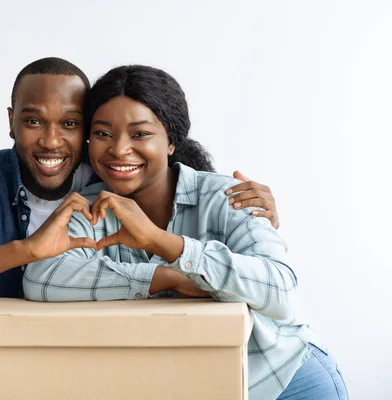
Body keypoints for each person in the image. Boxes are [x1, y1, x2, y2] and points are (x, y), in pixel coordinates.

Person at [23, 65, 348, 399]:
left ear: (172, 141)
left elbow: (281, 291)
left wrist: (162, 242)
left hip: (283, 379)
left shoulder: (230, 197)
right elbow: (42, 276)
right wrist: (167, 277)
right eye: (103, 133)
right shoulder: (88, 207)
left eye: (139, 134)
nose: (119, 150)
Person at [0, 57, 279, 310]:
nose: (51, 141)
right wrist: (23, 251)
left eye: (69, 124)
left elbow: (176, 178)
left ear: (86, 129)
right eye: (33, 121)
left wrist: (254, 213)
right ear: (10, 121)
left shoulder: (109, 176)